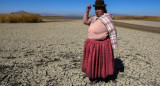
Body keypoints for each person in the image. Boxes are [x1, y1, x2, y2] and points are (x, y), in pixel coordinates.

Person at [82, 0, 118, 80]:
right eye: (95, 9)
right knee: (93, 61)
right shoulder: (94, 18)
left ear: (103, 9)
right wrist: (87, 11)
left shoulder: (106, 18)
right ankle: (93, 74)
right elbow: (85, 21)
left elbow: (112, 30)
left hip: (101, 45)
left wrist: (114, 44)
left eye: (99, 9)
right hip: (92, 44)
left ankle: (101, 76)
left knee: (101, 62)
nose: (97, 11)